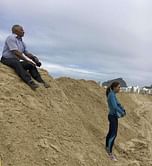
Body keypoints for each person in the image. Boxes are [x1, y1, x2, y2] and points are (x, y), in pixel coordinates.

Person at [1, 24, 50, 90]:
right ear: (15, 31)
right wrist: (27, 60)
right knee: (16, 62)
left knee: (30, 64)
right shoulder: (11, 38)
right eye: (21, 30)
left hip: (15, 61)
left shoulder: (21, 42)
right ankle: (29, 81)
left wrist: (34, 58)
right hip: (6, 59)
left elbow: (26, 53)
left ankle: (40, 81)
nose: (23, 31)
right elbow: (15, 52)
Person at [105, 81, 126, 161]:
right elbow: (114, 106)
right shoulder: (111, 95)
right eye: (119, 87)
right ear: (114, 87)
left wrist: (122, 109)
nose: (120, 89)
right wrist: (122, 113)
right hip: (112, 117)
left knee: (110, 132)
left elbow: (118, 105)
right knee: (113, 134)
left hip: (113, 116)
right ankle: (110, 153)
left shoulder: (112, 94)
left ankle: (107, 147)